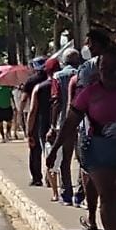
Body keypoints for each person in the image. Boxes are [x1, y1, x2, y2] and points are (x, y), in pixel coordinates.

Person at [50, 46, 116, 230]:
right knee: (107, 196)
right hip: (99, 150)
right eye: (103, 67)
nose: (107, 71)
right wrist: (55, 149)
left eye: (112, 66)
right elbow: (71, 122)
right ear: (97, 70)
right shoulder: (89, 93)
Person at [51, 51, 84, 203]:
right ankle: (80, 193)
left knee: (66, 158)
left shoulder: (58, 76)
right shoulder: (84, 74)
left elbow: (56, 101)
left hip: (65, 122)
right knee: (82, 159)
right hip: (83, 122)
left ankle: (67, 192)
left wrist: (52, 124)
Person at [24, 60, 59, 188]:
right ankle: (54, 180)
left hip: (41, 122)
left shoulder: (37, 86)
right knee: (58, 153)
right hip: (60, 122)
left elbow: (32, 110)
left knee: (39, 151)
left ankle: (38, 178)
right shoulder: (61, 83)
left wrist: (28, 131)